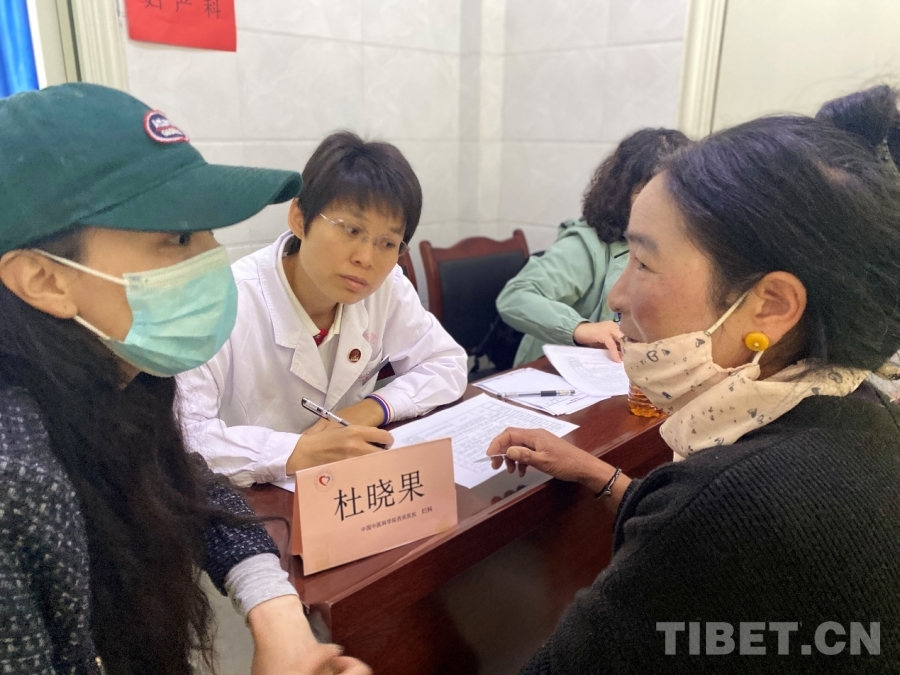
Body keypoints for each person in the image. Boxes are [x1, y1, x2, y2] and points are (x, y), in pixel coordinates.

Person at [488, 85, 900, 673]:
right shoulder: (862, 412)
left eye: (644, 262)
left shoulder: (734, 508)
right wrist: (596, 473)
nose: (617, 296)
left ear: (771, 305)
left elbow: (709, 526)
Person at [0, 84, 370, 675]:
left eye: (208, 233)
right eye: (177, 238)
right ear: (44, 280)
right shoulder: (15, 482)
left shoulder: (117, 376)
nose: (212, 259)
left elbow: (184, 482)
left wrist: (276, 612)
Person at [177, 132, 467, 489]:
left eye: (387, 243)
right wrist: (297, 451)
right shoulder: (224, 303)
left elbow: (447, 363)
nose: (366, 258)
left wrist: (371, 409)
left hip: (343, 487)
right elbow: (186, 436)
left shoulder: (386, 285)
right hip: (250, 497)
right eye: (352, 230)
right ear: (299, 218)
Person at [495, 128, 690, 366]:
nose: (661, 205)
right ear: (623, 191)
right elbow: (516, 296)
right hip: (559, 370)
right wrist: (580, 328)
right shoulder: (587, 244)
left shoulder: (680, 247)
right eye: (646, 192)